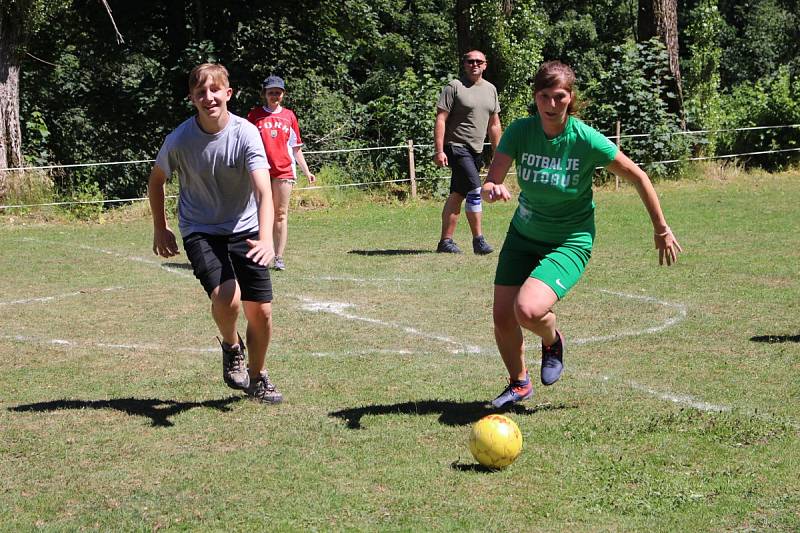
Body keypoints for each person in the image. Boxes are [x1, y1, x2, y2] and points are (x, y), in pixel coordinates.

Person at [481, 61, 683, 408]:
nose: (552, 103)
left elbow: (639, 177)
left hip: (570, 239)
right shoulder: (519, 132)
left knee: (528, 311)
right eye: (545, 96)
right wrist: (491, 189)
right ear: (536, 97)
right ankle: (519, 384)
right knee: (502, 316)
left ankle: (551, 339)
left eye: (559, 96)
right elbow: (491, 180)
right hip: (523, 233)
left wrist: (661, 228)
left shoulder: (585, 139)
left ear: (570, 98)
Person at [148, 63, 283, 404]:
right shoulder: (179, 139)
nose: (208, 98)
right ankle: (231, 345)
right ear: (192, 98)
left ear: (228, 93)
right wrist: (160, 227)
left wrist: (266, 239)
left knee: (261, 312)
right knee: (227, 296)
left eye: (214, 90)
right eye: (200, 93)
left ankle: (257, 377)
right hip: (201, 229)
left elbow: (264, 192)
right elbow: (156, 182)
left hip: (245, 227)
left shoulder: (246, 133)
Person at [433, 50, 502, 255]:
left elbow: (495, 125)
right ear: (464, 64)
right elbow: (441, 119)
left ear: (485, 65)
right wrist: (439, 150)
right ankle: (478, 241)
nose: (474, 64)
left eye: (478, 62)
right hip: (456, 146)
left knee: (458, 193)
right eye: (470, 61)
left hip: (476, 150)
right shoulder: (454, 87)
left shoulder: (491, 89)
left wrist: (499, 154)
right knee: (475, 189)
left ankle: (445, 242)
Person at [247, 75, 316, 271]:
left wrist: (307, 171)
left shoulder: (289, 116)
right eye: (271, 92)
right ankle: (260, 254)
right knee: (259, 212)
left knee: (280, 214)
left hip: (284, 170)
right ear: (265, 94)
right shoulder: (255, 116)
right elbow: (246, 143)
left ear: (283, 94)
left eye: (278, 92)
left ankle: (278, 257)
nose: (274, 96)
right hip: (260, 170)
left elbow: (295, 147)